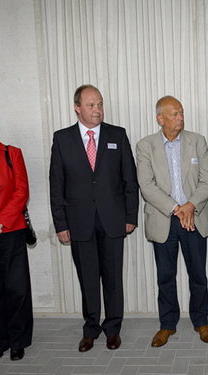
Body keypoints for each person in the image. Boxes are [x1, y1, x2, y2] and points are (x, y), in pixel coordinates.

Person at [49, 85, 139, 352]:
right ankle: (90, 329)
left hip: (113, 219)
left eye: (99, 104)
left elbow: (129, 180)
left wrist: (130, 215)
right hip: (79, 222)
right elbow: (56, 184)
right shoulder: (62, 139)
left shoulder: (117, 135)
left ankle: (113, 329)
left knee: (113, 278)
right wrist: (61, 223)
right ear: (77, 107)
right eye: (91, 105)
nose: (97, 109)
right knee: (87, 278)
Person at [136, 96, 208, 347]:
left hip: (194, 218)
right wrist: (176, 209)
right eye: (174, 114)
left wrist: (190, 206)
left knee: (198, 274)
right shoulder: (145, 145)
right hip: (164, 220)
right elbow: (146, 186)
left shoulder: (197, 141)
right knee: (166, 276)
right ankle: (167, 325)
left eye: (181, 113)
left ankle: (201, 321)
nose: (180, 117)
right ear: (160, 118)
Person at [0, 103, 33, 361]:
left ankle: (18, 341)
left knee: (16, 288)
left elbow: (21, 192)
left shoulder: (12, 153)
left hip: (10, 231)